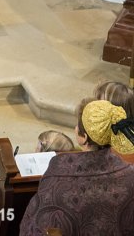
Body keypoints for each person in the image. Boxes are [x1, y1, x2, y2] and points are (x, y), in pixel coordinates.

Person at [20, 99, 134, 235]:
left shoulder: (57, 176)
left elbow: (38, 225)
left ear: (83, 138)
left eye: (77, 126)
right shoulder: (130, 174)